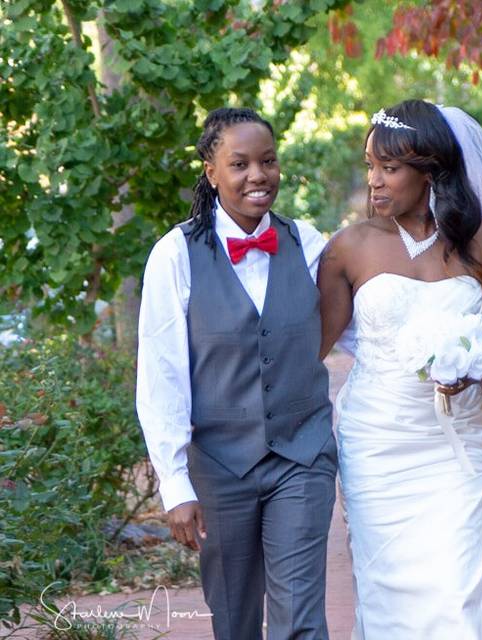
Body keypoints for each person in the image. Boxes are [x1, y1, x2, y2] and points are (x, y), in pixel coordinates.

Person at [318, 99, 482, 639]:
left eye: (389, 168)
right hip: (377, 450)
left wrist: (479, 367)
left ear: (431, 172)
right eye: (370, 165)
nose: (374, 181)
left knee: (464, 594)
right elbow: (308, 349)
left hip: (457, 449)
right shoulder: (349, 249)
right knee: (390, 601)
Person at [136, 107, 337, 640]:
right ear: (211, 171)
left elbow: (363, 328)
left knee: (301, 617)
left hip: (303, 454)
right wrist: (174, 484)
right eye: (240, 163)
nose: (258, 176)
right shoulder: (174, 254)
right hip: (220, 466)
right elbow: (161, 376)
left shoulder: (309, 245)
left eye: (268, 162)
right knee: (234, 619)